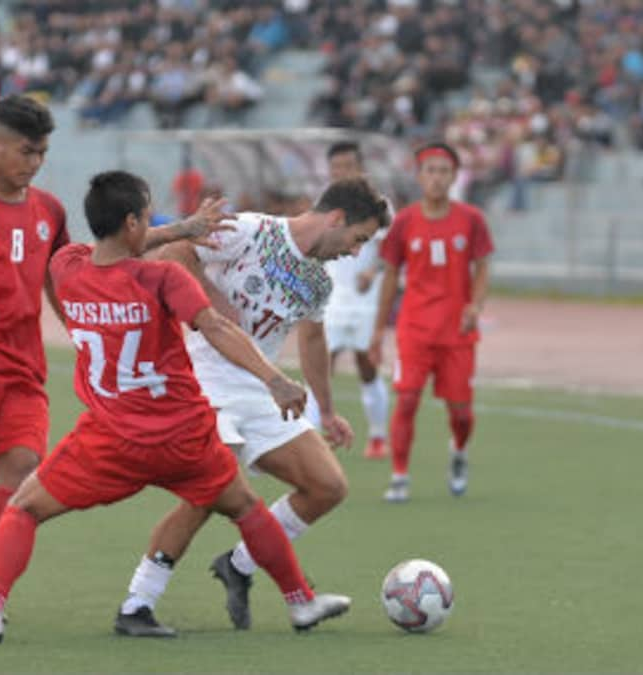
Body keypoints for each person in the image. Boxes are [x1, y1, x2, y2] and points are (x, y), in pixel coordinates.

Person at [0, 171, 351, 643]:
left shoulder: (67, 266)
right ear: (132, 222)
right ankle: (301, 603)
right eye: (145, 215)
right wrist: (276, 379)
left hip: (110, 440)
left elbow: (119, 247)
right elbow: (216, 329)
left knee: (22, 509)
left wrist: (177, 230)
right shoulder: (163, 277)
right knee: (246, 508)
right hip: (184, 435)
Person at [0, 95, 228, 621]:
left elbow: (86, 264)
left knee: (20, 478)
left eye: (43, 153)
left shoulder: (49, 210)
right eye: (27, 151)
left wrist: (177, 232)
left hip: (24, 365)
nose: (35, 163)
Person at [114, 178, 389, 634]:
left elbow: (314, 339)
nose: (356, 252)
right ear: (337, 219)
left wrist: (328, 409)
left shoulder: (318, 281)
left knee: (327, 486)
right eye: (358, 239)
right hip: (204, 380)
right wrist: (211, 297)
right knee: (208, 491)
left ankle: (240, 565)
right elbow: (173, 254)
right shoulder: (249, 230)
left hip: (262, 388)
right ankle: (137, 603)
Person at [368, 142, 494, 502]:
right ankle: (399, 475)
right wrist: (378, 330)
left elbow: (483, 266)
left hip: (457, 330)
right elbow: (390, 276)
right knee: (406, 399)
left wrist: (475, 305)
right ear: (419, 176)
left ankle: (458, 451)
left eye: (444, 171)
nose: (437, 178)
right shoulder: (405, 222)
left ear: (454, 176)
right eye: (430, 170)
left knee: (462, 411)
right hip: (415, 327)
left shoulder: (471, 219)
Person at [303, 142, 392, 460]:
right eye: (336, 166)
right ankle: (311, 437)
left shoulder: (378, 205)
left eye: (347, 165)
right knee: (321, 361)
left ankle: (379, 435)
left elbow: (391, 250)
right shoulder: (324, 207)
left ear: (360, 167)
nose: (341, 172)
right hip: (333, 294)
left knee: (367, 366)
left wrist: (373, 270)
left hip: (366, 298)